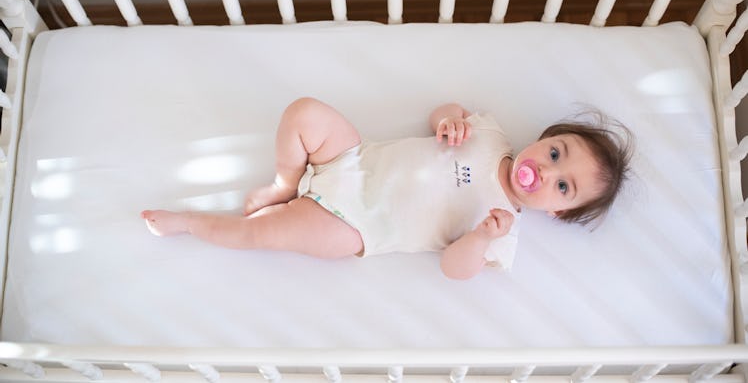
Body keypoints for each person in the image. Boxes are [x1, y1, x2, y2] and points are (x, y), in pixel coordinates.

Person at [142, 97, 632, 280]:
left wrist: (479, 238)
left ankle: (189, 223)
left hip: (356, 225)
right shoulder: (492, 134)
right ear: (545, 140)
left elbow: (454, 268)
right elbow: (445, 108)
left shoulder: (501, 231)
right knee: (303, 112)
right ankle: (283, 183)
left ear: (558, 213)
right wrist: (450, 121)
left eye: (562, 186)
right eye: (554, 154)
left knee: (262, 235)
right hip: (353, 160)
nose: (544, 172)